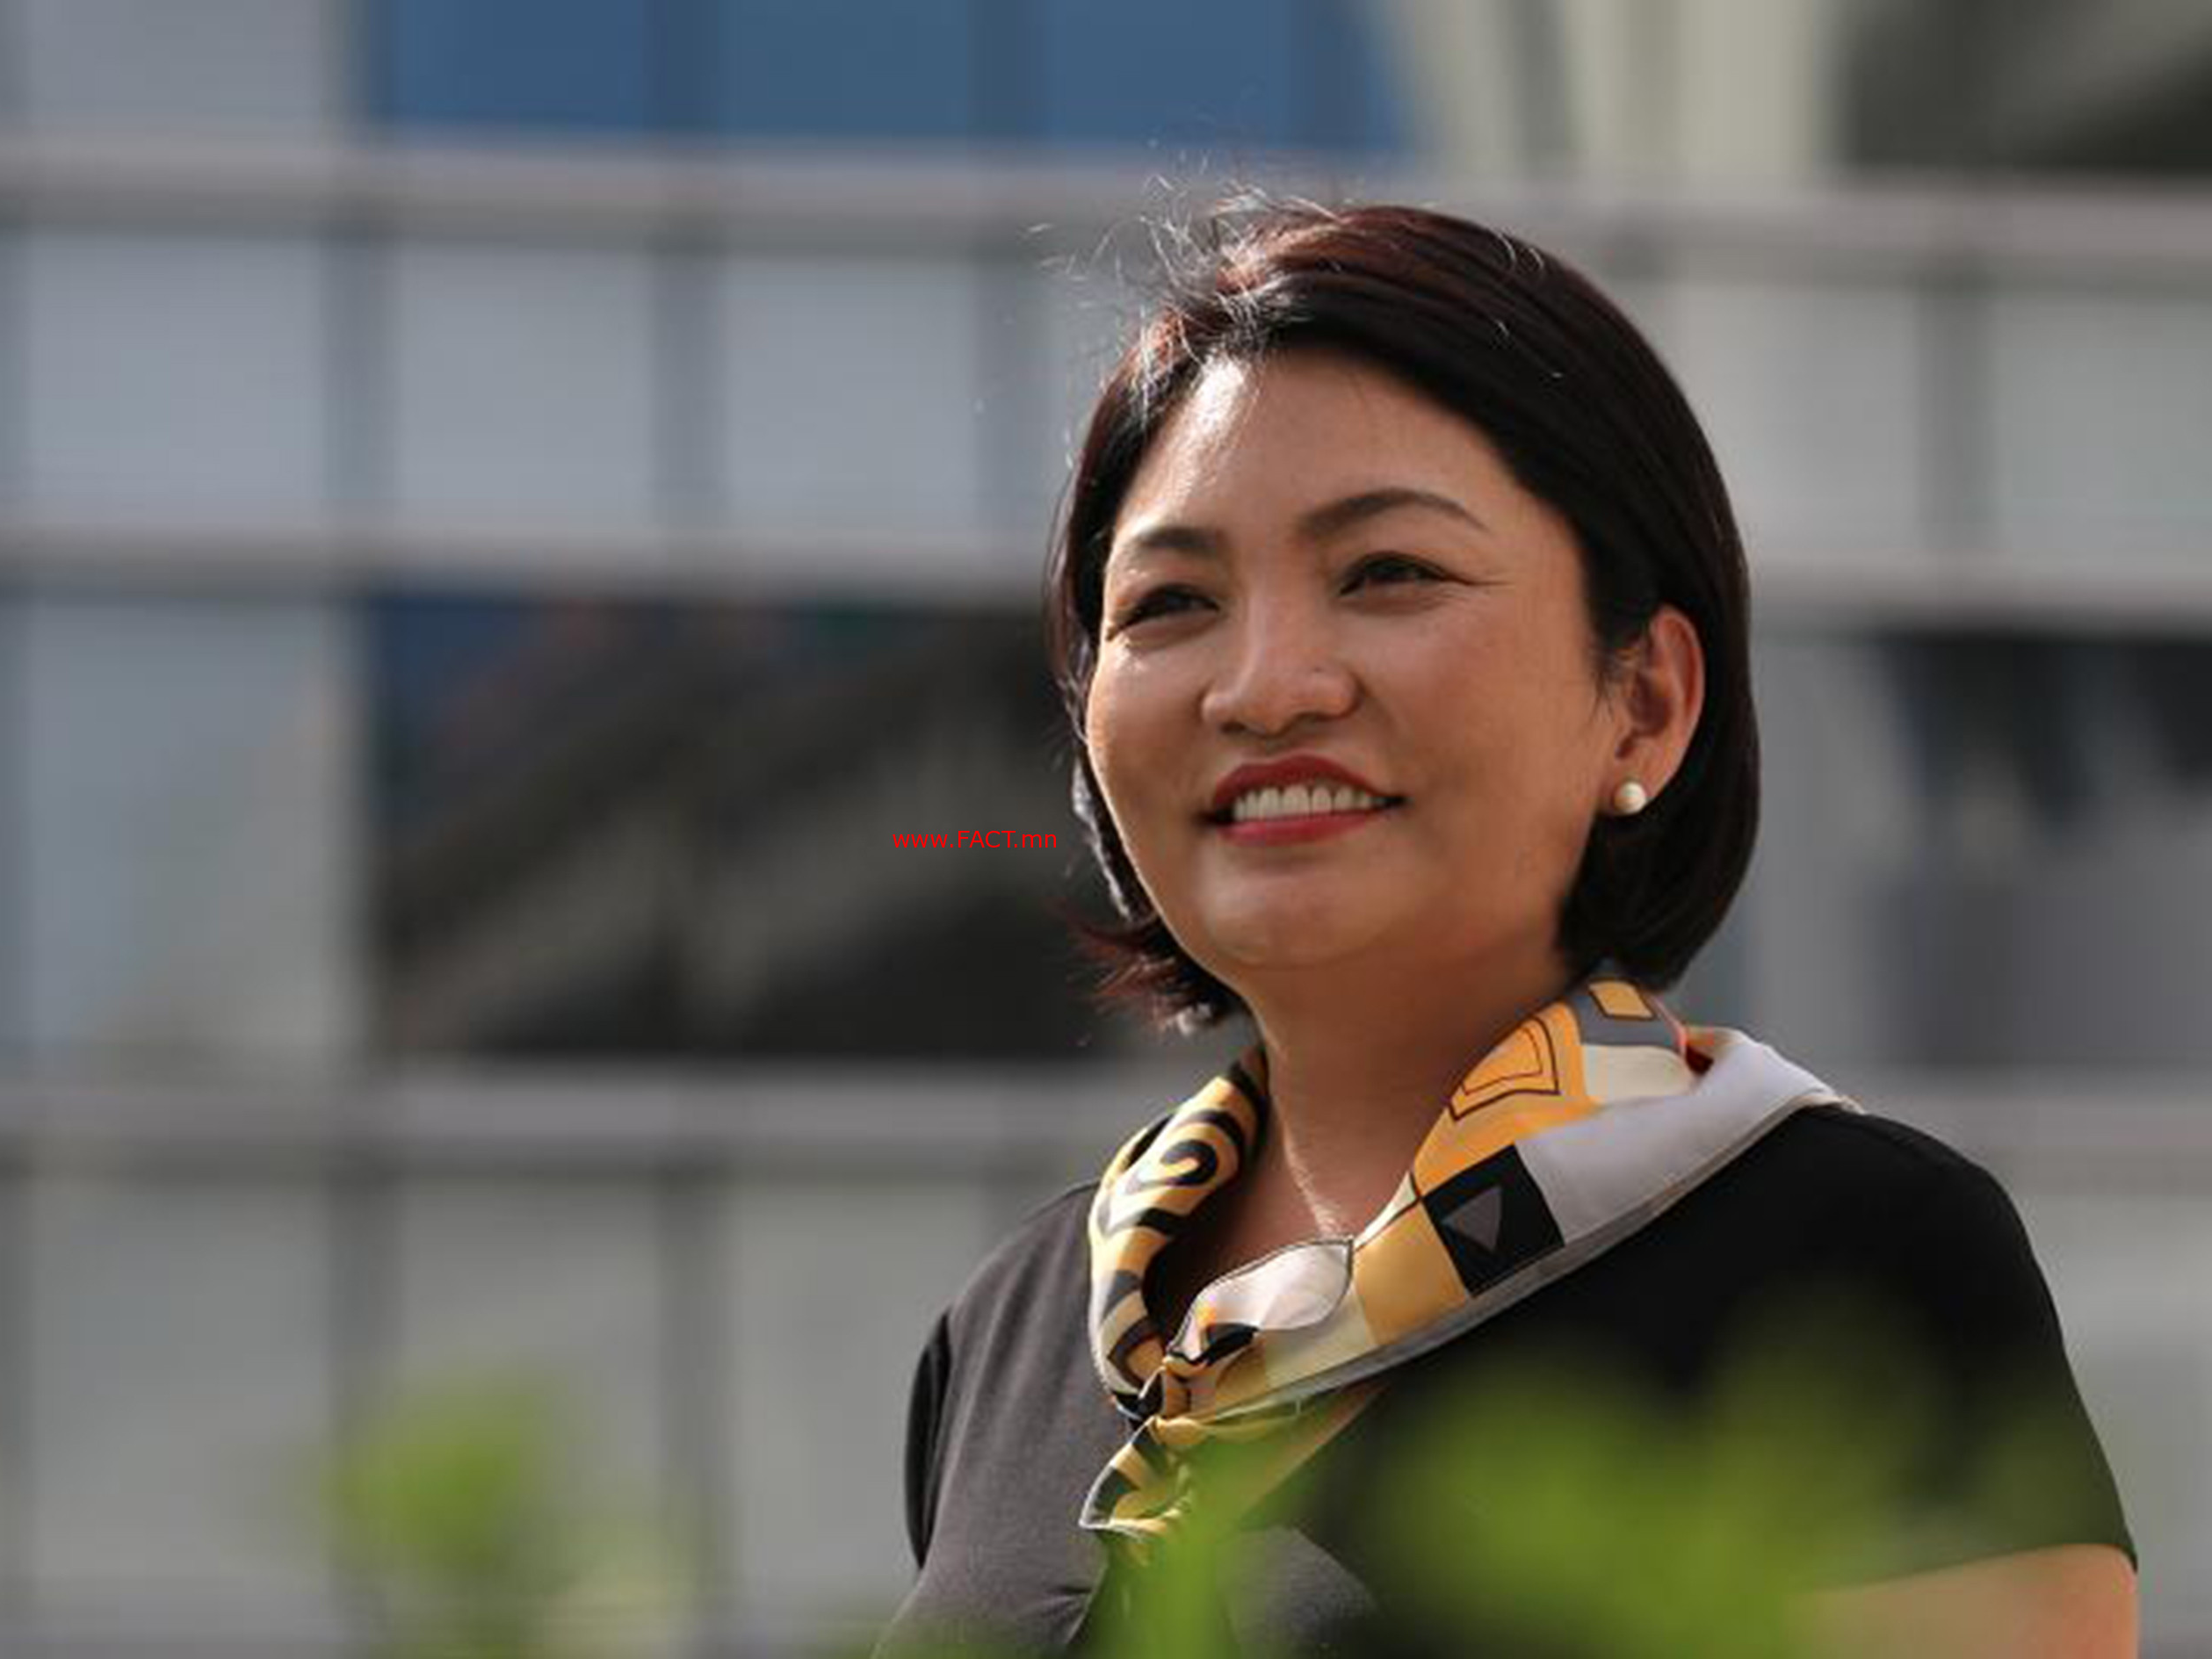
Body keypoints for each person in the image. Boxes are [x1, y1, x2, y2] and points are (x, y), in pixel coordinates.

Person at [875, 200, 2139, 1658]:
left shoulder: (1853, 1259)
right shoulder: (1016, 1326)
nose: (1266, 686)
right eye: (1170, 602)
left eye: (1387, 572)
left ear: (1645, 699)